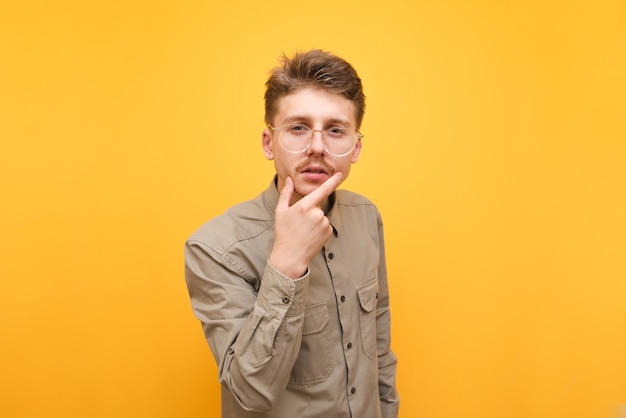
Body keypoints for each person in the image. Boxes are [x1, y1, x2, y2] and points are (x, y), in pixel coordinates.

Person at [184, 49, 399, 418]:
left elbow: (379, 351)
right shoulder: (214, 248)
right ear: (269, 143)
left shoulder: (366, 218)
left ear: (355, 147)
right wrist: (286, 264)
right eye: (298, 127)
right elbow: (250, 394)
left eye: (335, 130)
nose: (317, 147)